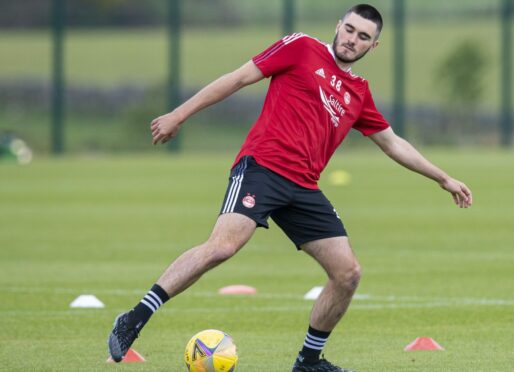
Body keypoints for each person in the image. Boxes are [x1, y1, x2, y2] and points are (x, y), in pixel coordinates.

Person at [107, 4, 473, 371]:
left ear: (373, 47)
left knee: (348, 273)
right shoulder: (300, 48)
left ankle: (308, 361)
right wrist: (178, 115)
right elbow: (237, 78)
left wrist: (443, 177)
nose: (352, 39)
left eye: (363, 36)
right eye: (349, 29)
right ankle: (135, 318)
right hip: (262, 169)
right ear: (338, 26)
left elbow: (393, 143)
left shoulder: (359, 92)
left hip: (304, 188)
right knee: (222, 247)